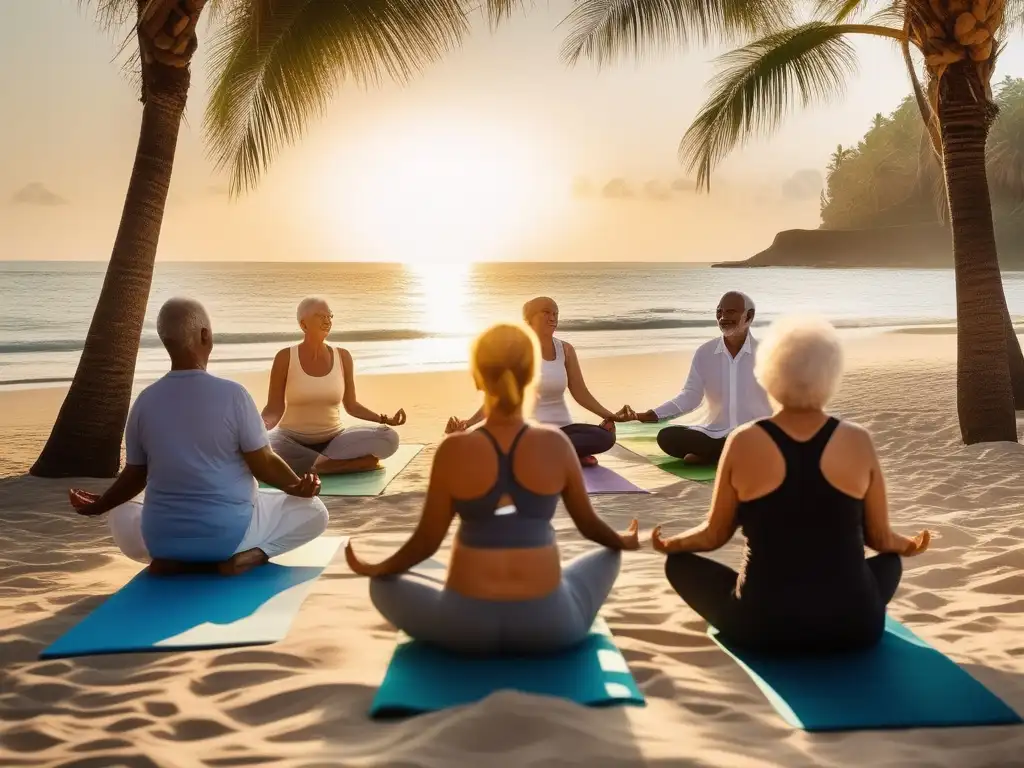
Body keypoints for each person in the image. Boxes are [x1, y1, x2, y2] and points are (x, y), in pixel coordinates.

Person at [346, 322, 640, 654]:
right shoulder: (556, 444)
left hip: (465, 627)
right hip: (549, 626)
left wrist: (378, 568)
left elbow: (426, 542)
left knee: (380, 587)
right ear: (532, 377)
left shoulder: (453, 450)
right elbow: (590, 526)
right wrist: (621, 541)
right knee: (608, 555)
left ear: (476, 377)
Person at [652, 316, 931, 653]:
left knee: (679, 564)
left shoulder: (743, 440)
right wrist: (909, 545)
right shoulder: (858, 440)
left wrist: (671, 544)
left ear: (769, 373)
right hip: (854, 627)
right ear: (831, 375)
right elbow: (880, 538)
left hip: (764, 629)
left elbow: (714, 535)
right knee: (891, 560)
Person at [68, 298, 329, 577]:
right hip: (225, 539)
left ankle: (174, 559)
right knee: (315, 511)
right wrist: (295, 487)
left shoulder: (145, 401)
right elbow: (263, 462)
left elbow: (134, 475)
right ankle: (251, 556)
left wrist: (101, 505)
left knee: (120, 510)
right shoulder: (233, 395)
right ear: (205, 335)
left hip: (163, 542)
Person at [446, 297, 630, 467]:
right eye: (546, 312)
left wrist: (611, 416)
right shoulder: (516, 352)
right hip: (530, 433)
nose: (553, 318)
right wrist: (469, 423)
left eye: (555, 313)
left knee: (605, 437)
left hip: (564, 430)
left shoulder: (565, 350)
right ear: (529, 319)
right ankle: (568, 455)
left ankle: (559, 454)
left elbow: (581, 393)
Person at [624, 291, 773, 465]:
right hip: (715, 435)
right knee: (667, 437)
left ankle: (718, 456)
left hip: (756, 435)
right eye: (719, 311)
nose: (723, 317)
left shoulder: (768, 353)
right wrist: (650, 414)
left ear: (749, 316)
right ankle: (728, 456)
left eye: (730, 312)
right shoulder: (705, 353)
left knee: (778, 442)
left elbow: (785, 398)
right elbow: (690, 396)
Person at [262, 296, 406, 475]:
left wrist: (384, 419)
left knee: (389, 437)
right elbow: (274, 408)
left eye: (329, 316)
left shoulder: (343, 357)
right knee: (266, 445)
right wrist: (261, 425)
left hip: (335, 440)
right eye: (320, 316)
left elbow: (351, 406)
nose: (327, 320)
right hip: (290, 440)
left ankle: (319, 464)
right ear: (303, 324)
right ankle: (335, 465)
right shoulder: (285, 357)